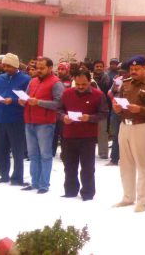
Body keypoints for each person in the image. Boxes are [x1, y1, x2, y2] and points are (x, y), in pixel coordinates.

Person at [111, 56, 145, 213]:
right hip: (124, 125)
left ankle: (142, 201)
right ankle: (128, 197)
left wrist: (140, 109)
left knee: (142, 165)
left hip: (141, 126)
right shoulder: (126, 84)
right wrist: (118, 109)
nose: (133, 71)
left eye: (137, 69)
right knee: (125, 164)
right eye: (131, 69)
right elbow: (120, 103)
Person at [60, 71, 108, 201]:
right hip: (69, 134)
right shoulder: (67, 93)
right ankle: (70, 191)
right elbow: (59, 109)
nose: (81, 87)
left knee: (87, 167)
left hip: (88, 136)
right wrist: (63, 117)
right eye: (78, 84)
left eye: (84, 84)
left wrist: (90, 118)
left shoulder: (98, 95)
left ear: (89, 81)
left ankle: (87, 193)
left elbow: (104, 113)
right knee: (69, 165)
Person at [19, 57, 64, 194]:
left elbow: (59, 104)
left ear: (50, 68)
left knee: (45, 154)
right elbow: (27, 97)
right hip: (30, 121)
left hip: (45, 123)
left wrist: (38, 102)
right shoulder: (32, 81)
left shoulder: (56, 83)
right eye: (37, 67)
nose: (39, 70)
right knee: (33, 154)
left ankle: (44, 184)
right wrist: (23, 101)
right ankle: (34, 182)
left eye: (42, 68)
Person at [0, 53, 31, 185]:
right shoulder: (0, 78)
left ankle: (17, 177)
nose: (6, 68)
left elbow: (27, 98)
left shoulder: (25, 79)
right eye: (4, 66)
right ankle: (3, 174)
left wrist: (13, 101)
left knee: (17, 149)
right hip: (0, 117)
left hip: (16, 118)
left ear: (15, 66)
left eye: (9, 66)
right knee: (1, 148)